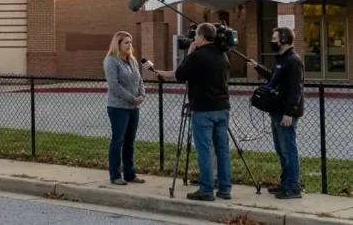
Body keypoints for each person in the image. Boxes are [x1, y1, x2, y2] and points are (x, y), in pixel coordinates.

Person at [154, 23, 231, 201]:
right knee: (222, 150)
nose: (194, 39)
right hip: (222, 107)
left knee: (204, 151)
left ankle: (206, 190)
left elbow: (180, 75)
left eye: (196, 36)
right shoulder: (222, 55)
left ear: (202, 37)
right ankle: (225, 189)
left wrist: (189, 54)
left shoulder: (196, 56)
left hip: (203, 109)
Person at [247, 27, 304, 199]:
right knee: (281, 150)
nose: (272, 41)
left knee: (289, 150)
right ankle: (285, 183)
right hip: (276, 110)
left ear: (284, 40)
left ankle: (293, 187)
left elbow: (296, 89)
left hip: (285, 113)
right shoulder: (282, 60)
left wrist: (289, 113)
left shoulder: (293, 61)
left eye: (274, 38)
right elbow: (274, 78)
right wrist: (258, 68)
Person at [103, 31, 146, 185]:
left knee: (130, 141)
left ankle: (130, 173)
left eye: (130, 42)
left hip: (134, 107)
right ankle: (115, 175)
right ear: (118, 44)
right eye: (126, 42)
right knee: (118, 140)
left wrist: (142, 95)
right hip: (118, 107)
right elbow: (114, 85)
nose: (129, 45)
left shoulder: (132, 61)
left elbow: (140, 80)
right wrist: (131, 98)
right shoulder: (111, 61)